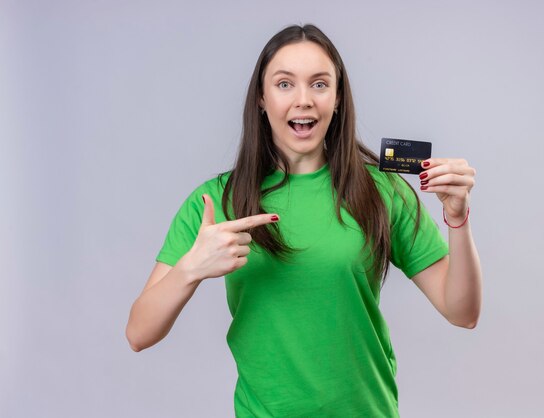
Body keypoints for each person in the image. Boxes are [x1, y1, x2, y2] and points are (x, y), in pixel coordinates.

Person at [126, 24, 481, 417]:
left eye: (319, 84)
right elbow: (139, 334)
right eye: (283, 84)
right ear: (261, 98)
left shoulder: (381, 191)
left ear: (338, 97)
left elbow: (462, 312)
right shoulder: (215, 202)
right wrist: (190, 268)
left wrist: (457, 217)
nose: (303, 100)